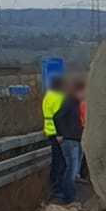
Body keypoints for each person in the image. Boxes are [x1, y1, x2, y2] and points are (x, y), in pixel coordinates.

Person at [51, 76, 84, 205]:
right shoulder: (69, 102)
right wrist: (60, 134)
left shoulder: (76, 103)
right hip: (69, 139)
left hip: (76, 138)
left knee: (74, 169)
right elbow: (57, 117)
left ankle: (71, 197)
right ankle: (69, 198)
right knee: (71, 169)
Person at [42, 75, 68, 204]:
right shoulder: (59, 97)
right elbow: (60, 117)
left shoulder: (48, 96)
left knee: (56, 161)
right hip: (59, 134)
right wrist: (61, 133)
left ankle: (55, 187)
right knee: (61, 162)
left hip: (50, 131)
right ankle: (58, 189)